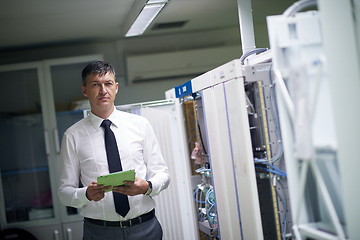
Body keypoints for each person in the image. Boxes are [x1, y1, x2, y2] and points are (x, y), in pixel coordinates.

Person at [58, 60, 170, 240]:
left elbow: (162, 173)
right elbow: (64, 193)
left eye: (108, 84)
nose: (103, 90)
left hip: (146, 228)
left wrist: (147, 187)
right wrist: (85, 194)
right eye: (95, 84)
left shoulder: (140, 125)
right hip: (100, 232)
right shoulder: (72, 136)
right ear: (85, 90)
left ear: (116, 87)